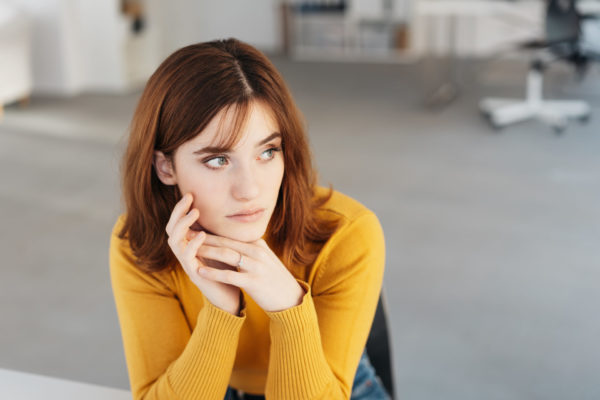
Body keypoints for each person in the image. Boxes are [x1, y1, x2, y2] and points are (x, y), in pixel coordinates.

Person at [109, 38, 389, 400]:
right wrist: (222, 310)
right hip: (212, 381)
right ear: (166, 167)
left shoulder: (348, 234)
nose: (249, 190)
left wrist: (289, 307)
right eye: (218, 160)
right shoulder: (139, 243)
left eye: (268, 151)